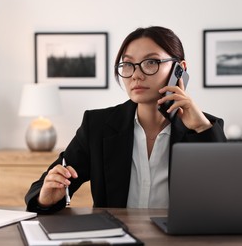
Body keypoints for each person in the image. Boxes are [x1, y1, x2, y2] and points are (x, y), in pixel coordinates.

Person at [25, 26, 227, 214]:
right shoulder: (97, 125)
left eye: (151, 62)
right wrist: (47, 198)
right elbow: (43, 187)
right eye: (128, 64)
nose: (136, 75)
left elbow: (225, 197)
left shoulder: (205, 127)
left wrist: (201, 128)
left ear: (179, 69)